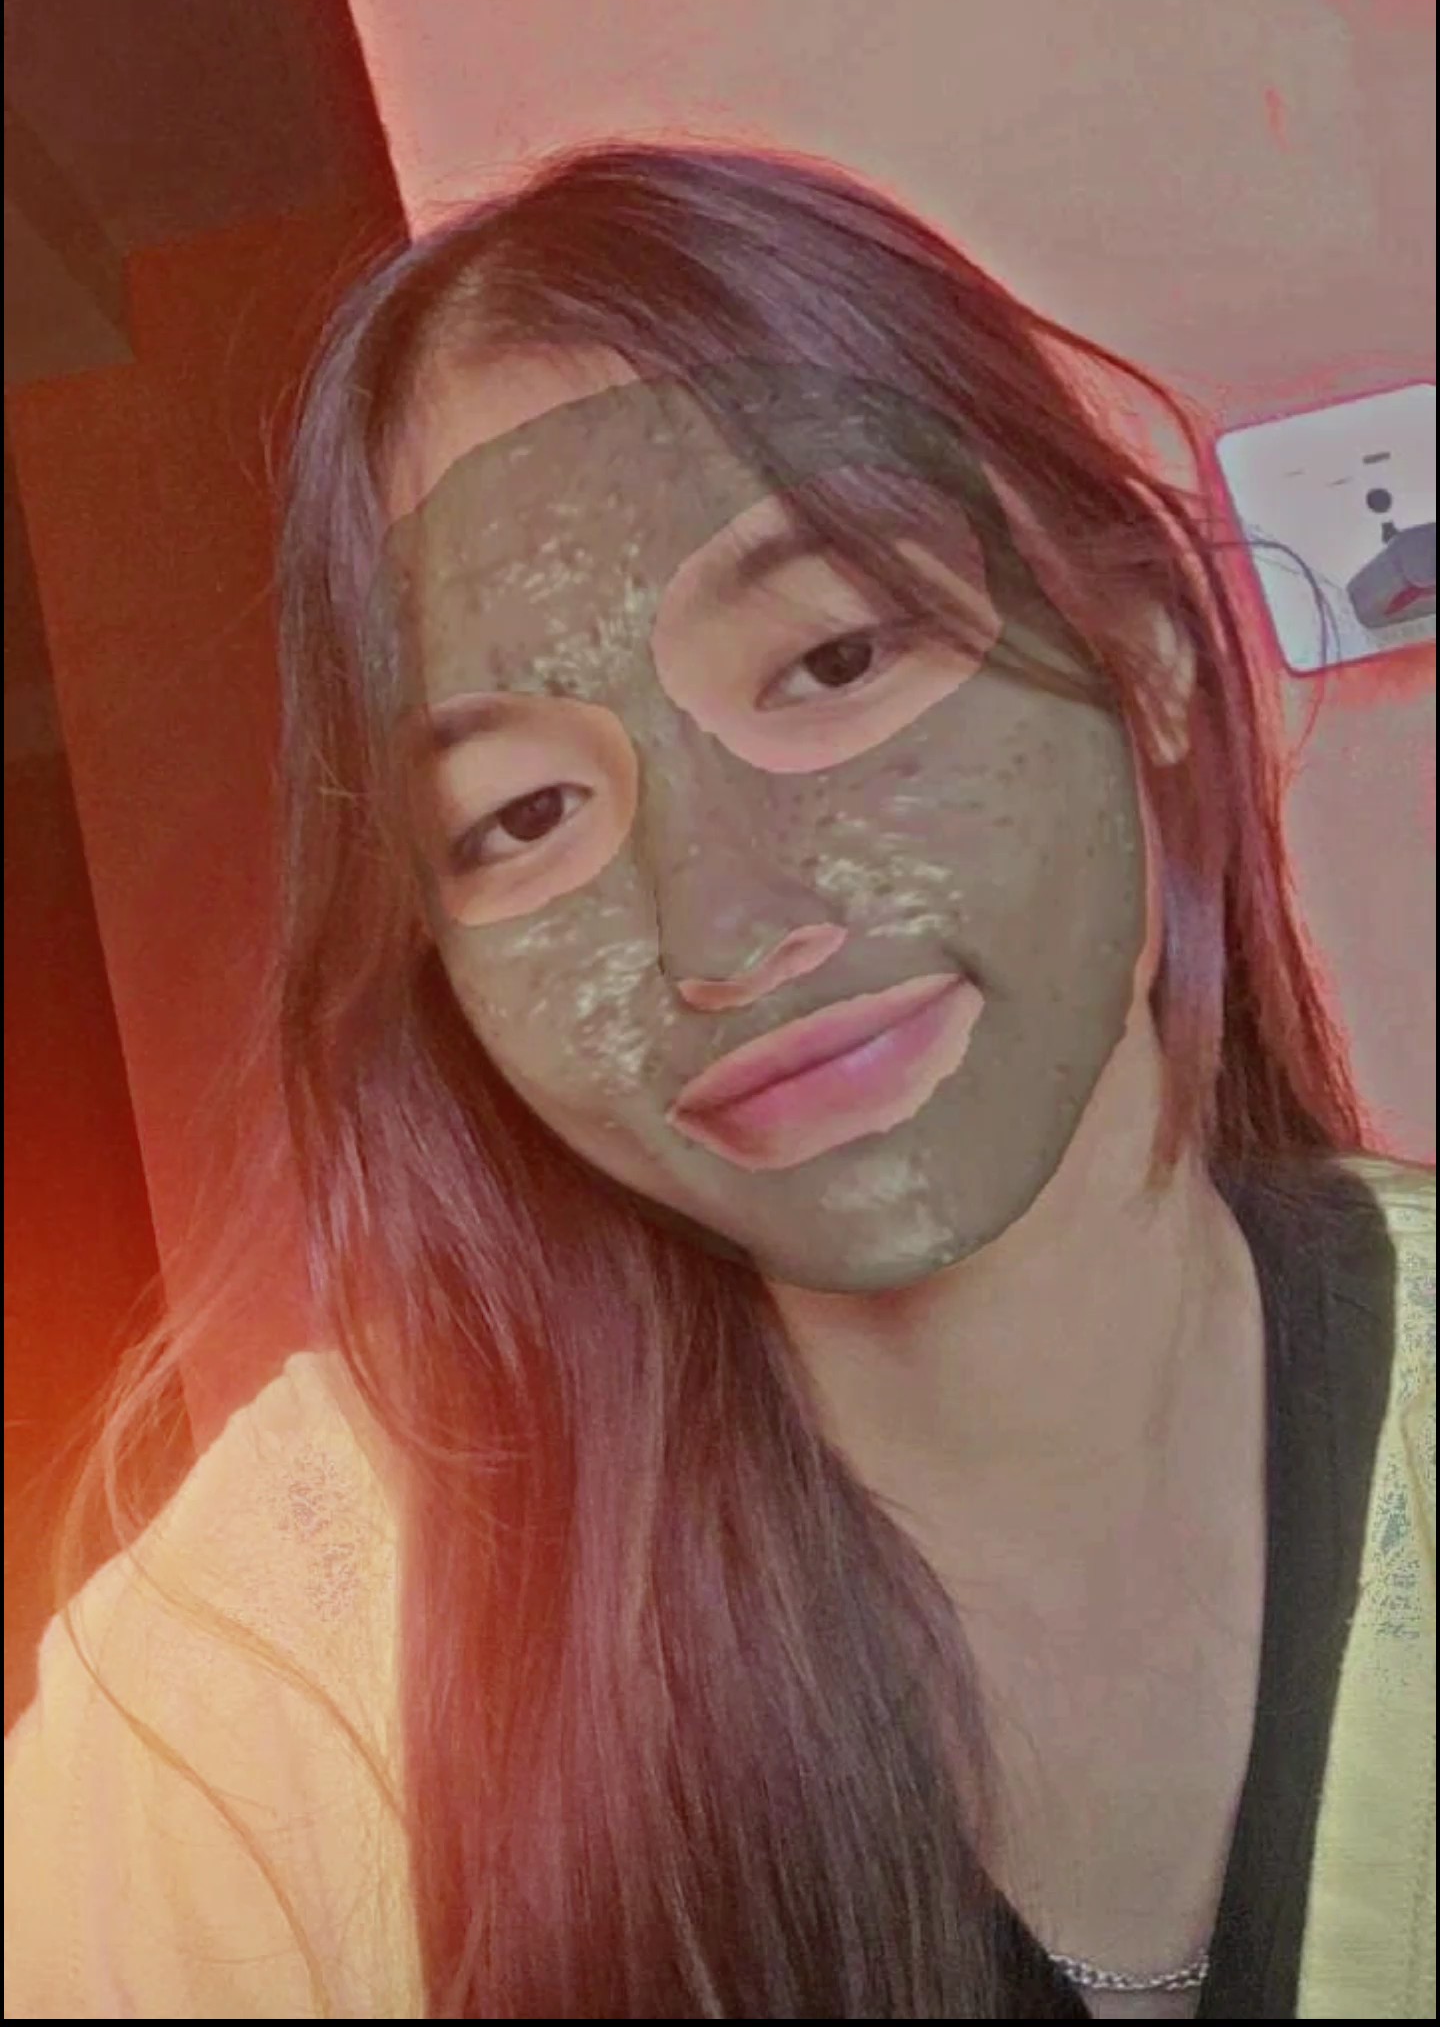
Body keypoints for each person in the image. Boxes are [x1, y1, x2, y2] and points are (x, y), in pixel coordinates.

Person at [4, 144, 1433, 2021]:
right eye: (525, 814)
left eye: (834, 659)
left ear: (1145, 664)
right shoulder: (278, 1655)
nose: (724, 926)